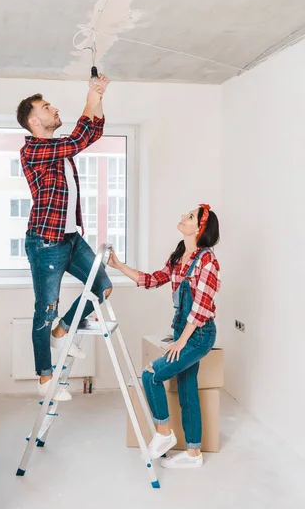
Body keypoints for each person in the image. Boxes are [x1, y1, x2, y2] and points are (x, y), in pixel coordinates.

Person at [17, 75, 113, 401]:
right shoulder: (34, 150)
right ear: (34, 121)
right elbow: (78, 141)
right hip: (46, 242)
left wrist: (97, 97)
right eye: (47, 107)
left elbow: (92, 132)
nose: (54, 109)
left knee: (102, 286)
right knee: (45, 309)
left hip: (70, 238)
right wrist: (90, 96)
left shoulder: (58, 150)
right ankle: (45, 378)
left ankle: (63, 330)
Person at [108, 204, 220, 469]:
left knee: (151, 375)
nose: (183, 216)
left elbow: (202, 305)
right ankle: (193, 455)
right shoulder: (178, 257)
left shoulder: (207, 261)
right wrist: (118, 265)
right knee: (187, 389)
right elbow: (151, 280)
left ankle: (163, 432)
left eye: (190, 216)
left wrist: (182, 342)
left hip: (199, 335)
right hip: (184, 332)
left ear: (200, 228)